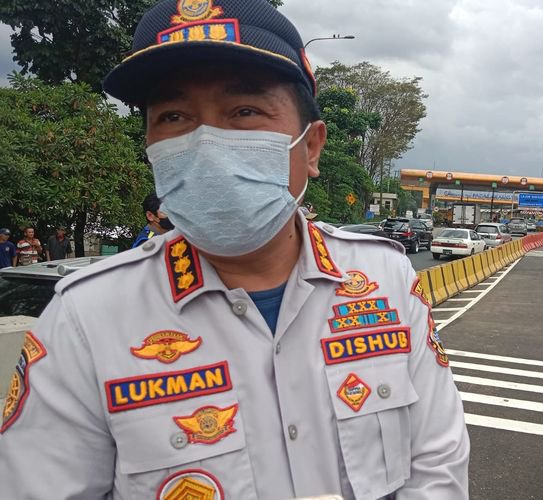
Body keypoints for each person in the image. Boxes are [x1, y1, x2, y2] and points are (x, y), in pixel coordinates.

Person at [0, 1, 470, 498]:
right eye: (174, 115)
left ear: (310, 147)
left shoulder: (385, 278)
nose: (205, 141)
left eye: (244, 112)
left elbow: (435, 463)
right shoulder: (87, 317)